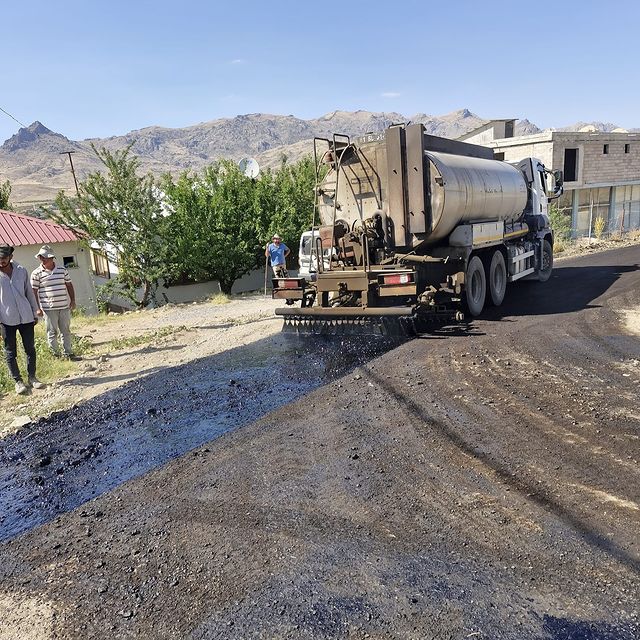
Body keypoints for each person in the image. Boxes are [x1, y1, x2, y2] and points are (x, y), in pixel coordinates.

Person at [0, 243, 44, 394]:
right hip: (6, 320)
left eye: (4, 258)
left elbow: (29, 293)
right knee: (10, 352)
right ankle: (18, 382)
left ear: (10, 257)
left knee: (30, 349)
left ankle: (32, 378)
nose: (1, 261)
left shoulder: (21, 270)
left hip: (26, 317)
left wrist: (34, 311)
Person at [30, 245, 79, 360]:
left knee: (65, 331)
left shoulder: (62, 270)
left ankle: (69, 353)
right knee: (52, 332)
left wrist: (73, 300)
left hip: (63, 306)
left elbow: (69, 285)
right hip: (48, 308)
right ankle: (56, 355)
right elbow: (33, 291)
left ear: (52, 258)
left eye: (45, 257)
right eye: (41, 257)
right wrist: (37, 308)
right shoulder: (36, 273)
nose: (42, 259)